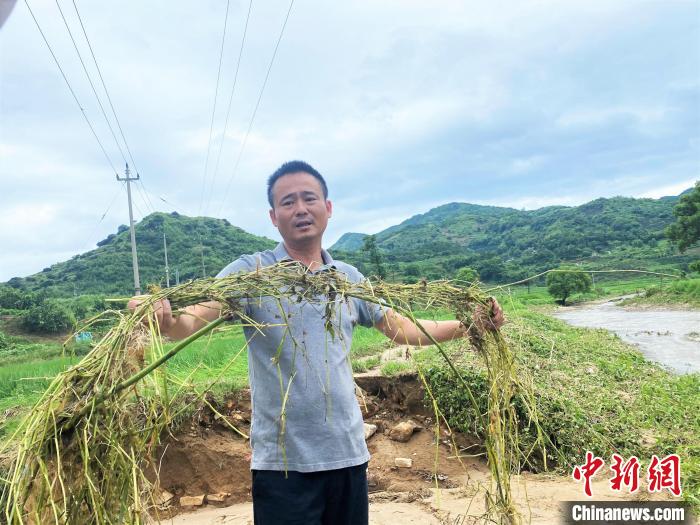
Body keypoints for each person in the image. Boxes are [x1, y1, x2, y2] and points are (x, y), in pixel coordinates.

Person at [129, 160, 504, 525]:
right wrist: (158, 316)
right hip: (283, 465)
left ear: (327, 208)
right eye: (287, 202)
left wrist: (468, 326)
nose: (300, 208)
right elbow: (187, 323)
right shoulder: (250, 273)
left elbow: (402, 328)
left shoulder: (348, 278)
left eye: (309, 198)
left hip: (348, 456)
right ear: (274, 217)